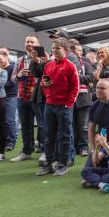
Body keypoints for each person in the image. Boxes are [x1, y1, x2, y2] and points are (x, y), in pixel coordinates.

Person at [35, 38, 79, 177]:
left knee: (65, 136)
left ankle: (62, 164)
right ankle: (49, 163)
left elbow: (75, 88)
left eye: (57, 48)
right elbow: (43, 82)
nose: (54, 51)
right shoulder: (48, 65)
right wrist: (46, 87)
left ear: (65, 50)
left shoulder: (70, 66)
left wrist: (68, 104)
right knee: (49, 135)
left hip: (64, 106)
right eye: (53, 48)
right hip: (50, 104)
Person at [10, 35, 40, 162]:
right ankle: (27, 150)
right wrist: (19, 75)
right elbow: (12, 79)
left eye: (32, 41)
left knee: (42, 125)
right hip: (22, 96)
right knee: (26, 125)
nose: (29, 43)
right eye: (27, 41)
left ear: (37, 44)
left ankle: (44, 150)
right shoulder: (19, 60)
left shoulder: (43, 58)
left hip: (38, 96)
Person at [72, 43, 94, 157]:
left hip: (83, 98)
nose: (81, 52)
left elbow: (91, 77)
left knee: (83, 126)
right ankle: (75, 148)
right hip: (70, 98)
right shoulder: (67, 62)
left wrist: (76, 76)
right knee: (72, 125)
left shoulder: (85, 63)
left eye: (81, 50)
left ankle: (84, 147)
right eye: (79, 50)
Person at [0, 47, 17, 151]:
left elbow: (11, 83)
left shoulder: (12, 67)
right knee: (3, 121)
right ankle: (5, 141)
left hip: (11, 97)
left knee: (9, 120)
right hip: (2, 98)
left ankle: (11, 141)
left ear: (6, 57)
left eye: (1, 59)